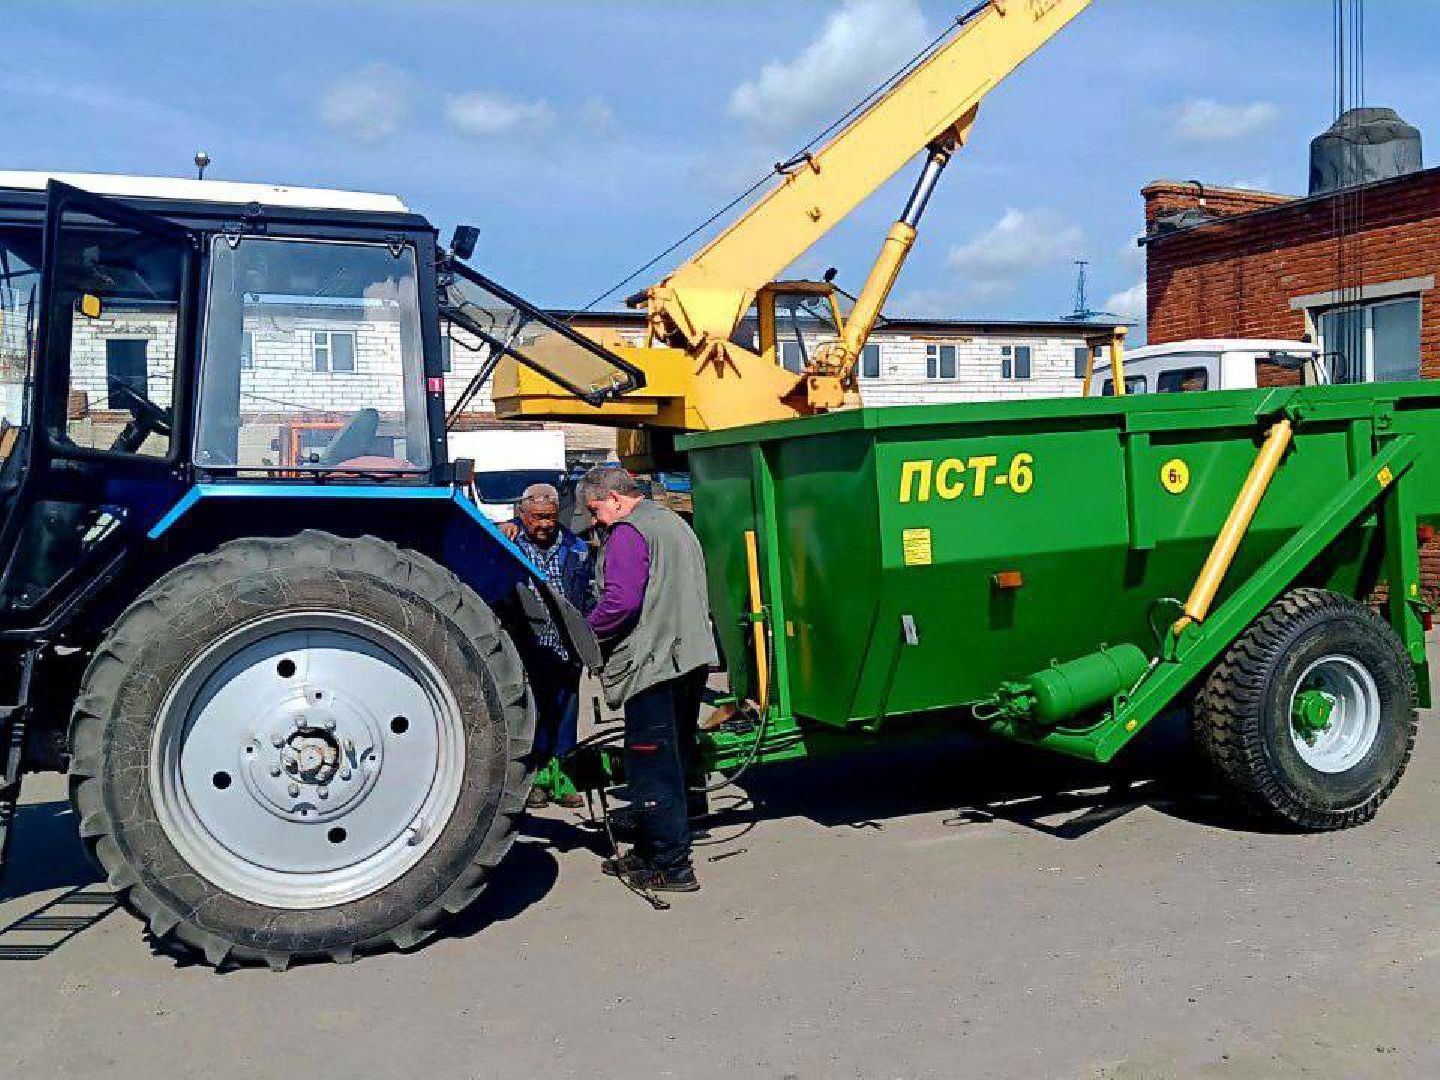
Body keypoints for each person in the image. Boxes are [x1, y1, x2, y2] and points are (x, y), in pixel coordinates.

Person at [579, 465, 717, 893]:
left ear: (615, 499)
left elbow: (621, 600)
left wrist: (585, 632)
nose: (595, 520)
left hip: (654, 665)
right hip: (689, 658)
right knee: (674, 760)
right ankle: (657, 846)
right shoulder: (672, 522)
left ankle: (670, 866)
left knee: (652, 767)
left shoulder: (628, 532)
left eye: (595, 509)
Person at [500, 483, 593, 809]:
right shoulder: (507, 543)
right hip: (527, 647)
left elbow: (588, 595)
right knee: (534, 714)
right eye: (537, 518)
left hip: (566, 647)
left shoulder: (577, 548)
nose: (544, 525)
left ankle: (564, 777)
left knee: (566, 714)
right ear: (522, 514)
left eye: (550, 518)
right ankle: (536, 779)